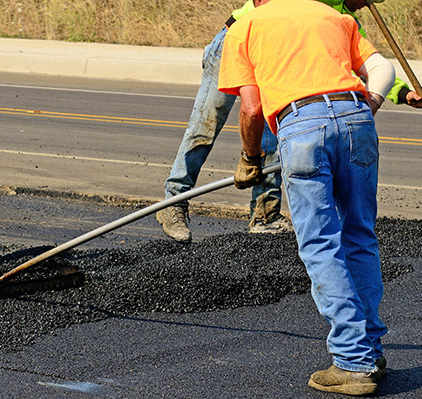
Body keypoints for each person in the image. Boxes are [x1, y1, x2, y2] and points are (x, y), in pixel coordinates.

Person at [218, 0, 400, 395]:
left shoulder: (244, 27)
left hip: (301, 124)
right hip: (356, 116)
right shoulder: (330, 14)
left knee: (320, 243)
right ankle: (371, 349)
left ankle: (353, 361)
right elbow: (383, 70)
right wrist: (365, 107)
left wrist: (250, 158)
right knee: (360, 236)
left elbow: (251, 108)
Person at [156, 0, 421, 243]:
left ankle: (264, 215)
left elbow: (361, 61)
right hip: (240, 40)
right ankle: (174, 202)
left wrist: (402, 92)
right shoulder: (323, 5)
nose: (365, 5)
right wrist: (248, 156)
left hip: (275, 55)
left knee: (277, 130)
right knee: (206, 125)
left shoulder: (342, 16)